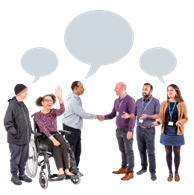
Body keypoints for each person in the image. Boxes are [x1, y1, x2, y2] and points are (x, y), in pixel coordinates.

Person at [33, 85, 77, 181]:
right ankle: (60, 170)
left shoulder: (53, 111)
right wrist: (52, 139)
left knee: (64, 145)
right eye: (47, 100)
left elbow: (62, 110)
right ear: (42, 102)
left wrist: (60, 98)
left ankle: (66, 170)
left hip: (55, 133)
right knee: (56, 145)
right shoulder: (37, 115)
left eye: (51, 100)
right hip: (44, 136)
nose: (50, 102)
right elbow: (43, 128)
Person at [61, 80, 103, 176]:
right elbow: (83, 114)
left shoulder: (76, 99)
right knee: (71, 150)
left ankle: (74, 170)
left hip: (75, 129)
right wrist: (96, 116)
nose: (83, 88)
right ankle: (69, 171)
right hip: (70, 129)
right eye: (81, 86)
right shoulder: (73, 101)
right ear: (75, 88)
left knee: (77, 150)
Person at [122, 82, 160, 181]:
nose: (143, 91)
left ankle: (152, 172)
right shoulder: (138, 101)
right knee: (141, 150)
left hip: (150, 129)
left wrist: (147, 116)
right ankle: (143, 168)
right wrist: (129, 116)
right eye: (143, 89)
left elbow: (157, 115)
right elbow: (134, 113)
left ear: (151, 91)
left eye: (146, 89)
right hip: (139, 129)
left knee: (151, 152)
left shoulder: (156, 101)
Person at [151, 83, 189, 182]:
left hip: (177, 131)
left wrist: (180, 122)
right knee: (168, 152)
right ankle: (169, 173)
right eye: (168, 90)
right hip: (166, 131)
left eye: (172, 90)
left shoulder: (182, 104)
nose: (169, 92)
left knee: (177, 152)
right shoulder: (164, 103)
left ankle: (176, 173)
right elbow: (160, 117)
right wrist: (158, 122)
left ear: (176, 92)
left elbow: (186, 118)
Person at [99, 81, 136, 181]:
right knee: (122, 150)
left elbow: (133, 117)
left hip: (126, 130)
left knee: (129, 151)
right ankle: (124, 167)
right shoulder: (116, 100)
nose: (114, 89)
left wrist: (130, 130)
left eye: (116, 87)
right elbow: (112, 114)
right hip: (118, 130)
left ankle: (131, 172)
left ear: (123, 89)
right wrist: (103, 117)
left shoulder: (130, 100)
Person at [3, 83, 33, 186]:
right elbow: (7, 123)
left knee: (24, 158)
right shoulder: (12, 106)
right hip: (16, 139)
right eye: (25, 92)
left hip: (25, 138)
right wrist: (15, 133)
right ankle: (14, 176)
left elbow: (27, 121)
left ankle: (22, 174)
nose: (27, 94)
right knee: (15, 159)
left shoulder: (23, 105)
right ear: (19, 92)